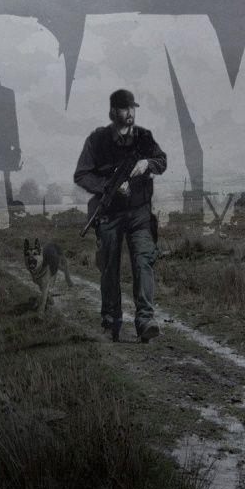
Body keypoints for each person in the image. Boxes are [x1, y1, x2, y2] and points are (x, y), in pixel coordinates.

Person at [74, 89, 167, 343]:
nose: (131, 113)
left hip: (139, 213)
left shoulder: (144, 137)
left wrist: (147, 164)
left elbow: (161, 161)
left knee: (143, 261)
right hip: (109, 213)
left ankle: (145, 320)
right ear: (113, 111)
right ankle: (111, 322)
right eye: (126, 109)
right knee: (109, 267)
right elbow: (81, 174)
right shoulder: (97, 140)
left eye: (133, 108)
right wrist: (108, 186)